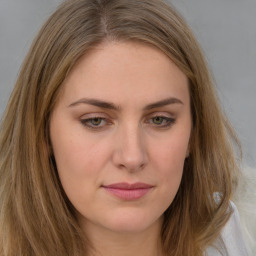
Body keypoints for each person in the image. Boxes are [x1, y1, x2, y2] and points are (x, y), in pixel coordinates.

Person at [0, 0, 248, 255]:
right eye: (95, 121)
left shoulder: (225, 238)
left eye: (160, 119)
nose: (132, 157)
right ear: (42, 134)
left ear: (195, 133)